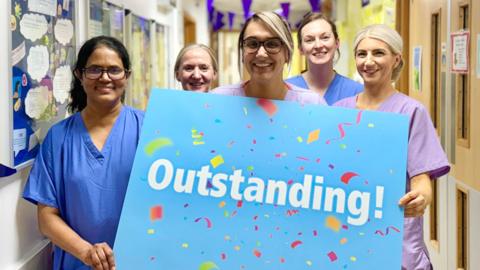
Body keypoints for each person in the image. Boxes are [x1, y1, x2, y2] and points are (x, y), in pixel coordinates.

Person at [334, 24, 450, 270]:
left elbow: (421, 178)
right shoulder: (339, 112)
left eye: (378, 53)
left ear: (396, 58)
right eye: (361, 54)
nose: (368, 61)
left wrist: (422, 196)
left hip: (395, 236)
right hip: (347, 231)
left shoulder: (410, 112)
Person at [23, 36, 144, 270]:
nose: (105, 77)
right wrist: (87, 252)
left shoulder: (148, 130)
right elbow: (47, 218)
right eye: (95, 69)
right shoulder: (59, 138)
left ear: (126, 76)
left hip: (136, 262)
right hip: (77, 263)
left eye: (114, 70)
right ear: (80, 74)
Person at [212, 11, 326, 105]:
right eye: (252, 44)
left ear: (287, 53)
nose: (261, 54)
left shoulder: (313, 105)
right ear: (242, 52)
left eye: (272, 44)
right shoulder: (218, 101)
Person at [286, 12, 363, 105]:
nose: (318, 45)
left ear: (337, 43)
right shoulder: (286, 90)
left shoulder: (357, 92)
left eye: (325, 37)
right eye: (309, 40)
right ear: (300, 49)